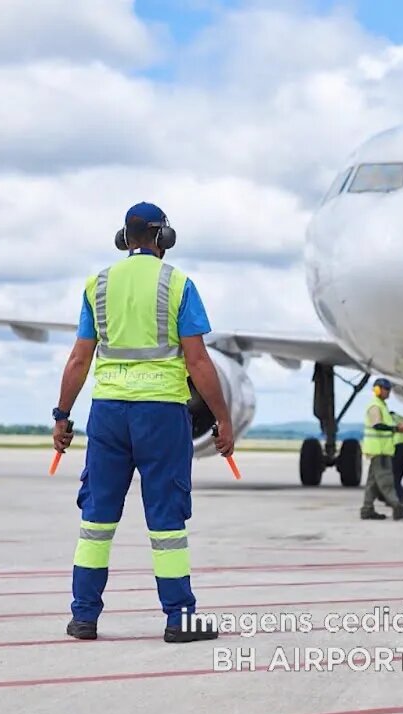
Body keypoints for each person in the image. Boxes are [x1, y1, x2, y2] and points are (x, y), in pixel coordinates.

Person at [52, 201, 233, 644]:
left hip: (108, 413)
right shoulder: (178, 284)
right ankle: (178, 618)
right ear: (161, 238)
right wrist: (223, 418)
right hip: (162, 414)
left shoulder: (97, 284)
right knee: (166, 520)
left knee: (96, 518)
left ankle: (84, 618)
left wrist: (61, 415)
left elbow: (79, 358)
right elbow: (198, 360)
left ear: (124, 237)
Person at [360, 379, 403, 520]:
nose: (388, 392)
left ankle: (367, 509)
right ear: (378, 390)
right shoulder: (375, 406)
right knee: (387, 482)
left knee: (372, 483)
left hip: (382, 450)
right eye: (386, 389)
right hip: (378, 451)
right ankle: (398, 508)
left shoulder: (382, 405)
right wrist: (396, 428)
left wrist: (400, 429)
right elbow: (377, 426)